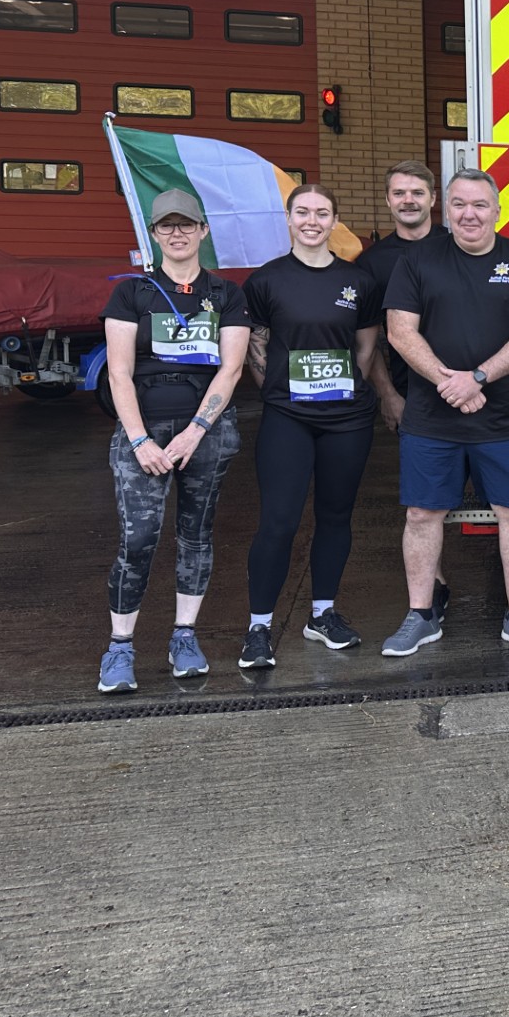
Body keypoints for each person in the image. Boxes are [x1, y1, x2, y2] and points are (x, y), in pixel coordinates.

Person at [381, 168, 509, 657]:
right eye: (459, 204)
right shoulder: (418, 260)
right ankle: (421, 615)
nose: (469, 214)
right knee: (421, 513)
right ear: (446, 208)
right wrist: (448, 381)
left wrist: (476, 378)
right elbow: (399, 331)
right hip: (433, 419)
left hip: (506, 420)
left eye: (480, 204)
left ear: (498, 210)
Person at [94, 189, 250, 693]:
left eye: (187, 225)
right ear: (155, 234)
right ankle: (120, 646)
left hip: (205, 432)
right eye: (167, 226)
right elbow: (118, 375)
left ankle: (184, 636)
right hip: (144, 430)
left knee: (196, 535)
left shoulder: (226, 294)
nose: (177, 233)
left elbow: (232, 368)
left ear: (203, 231)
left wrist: (196, 432)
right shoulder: (131, 294)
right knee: (138, 540)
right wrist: (139, 441)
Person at [237, 184, 381, 667]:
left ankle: (322, 613)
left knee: (336, 517)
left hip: (347, 419)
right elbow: (256, 346)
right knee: (278, 521)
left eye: (322, 213)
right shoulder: (266, 280)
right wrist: (279, 390)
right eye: (303, 212)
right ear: (289, 218)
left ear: (334, 220)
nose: (312, 221)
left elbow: (365, 348)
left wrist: (344, 390)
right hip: (288, 419)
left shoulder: (357, 282)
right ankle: (258, 626)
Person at [357, 160, 456, 620]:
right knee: (424, 503)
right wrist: (387, 395)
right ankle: (434, 588)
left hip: (474, 386)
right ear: (388, 200)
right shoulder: (373, 263)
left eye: (417, 192)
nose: (409, 201)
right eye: (400, 194)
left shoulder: (457, 244)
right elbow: (370, 337)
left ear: (433, 199)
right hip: (413, 393)